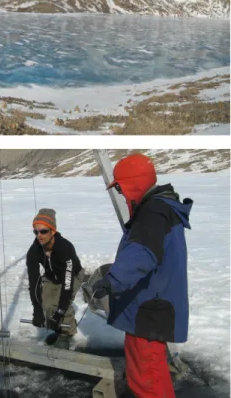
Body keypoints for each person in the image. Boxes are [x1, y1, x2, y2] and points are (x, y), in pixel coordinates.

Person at [89, 154, 192, 398]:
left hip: (148, 311)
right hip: (152, 307)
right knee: (151, 376)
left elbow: (141, 255)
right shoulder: (162, 209)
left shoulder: (153, 214)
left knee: (147, 382)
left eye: (121, 188)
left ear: (134, 183)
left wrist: (111, 282)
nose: (122, 194)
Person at [26, 208, 85, 348]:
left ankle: (66, 333)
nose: (39, 235)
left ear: (53, 231)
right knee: (46, 304)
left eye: (43, 231)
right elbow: (34, 282)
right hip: (52, 275)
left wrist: (60, 312)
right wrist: (37, 310)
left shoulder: (65, 248)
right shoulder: (34, 251)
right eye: (36, 232)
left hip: (73, 275)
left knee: (61, 303)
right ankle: (58, 330)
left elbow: (67, 285)